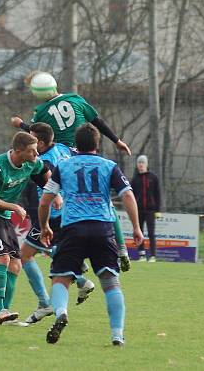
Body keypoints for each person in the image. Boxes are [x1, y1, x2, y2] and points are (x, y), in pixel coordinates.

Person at [10, 71, 133, 272]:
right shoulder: (75, 99)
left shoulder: (41, 111)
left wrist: (21, 124)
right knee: (105, 203)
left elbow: (37, 133)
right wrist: (117, 140)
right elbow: (97, 120)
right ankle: (122, 250)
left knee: (63, 203)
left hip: (65, 158)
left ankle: (72, 253)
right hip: (88, 156)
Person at [39, 124, 144, 347]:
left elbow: (45, 200)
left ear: (76, 145)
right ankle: (117, 335)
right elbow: (128, 197)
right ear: (97, 144)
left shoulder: (63, 166)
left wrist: (45, 225)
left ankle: (60, 314)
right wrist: (136, 227)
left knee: (61, 277)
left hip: (72, 229)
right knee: (110, 283)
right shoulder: (110, 166)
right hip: (102, 229)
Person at [20, 122, 96, 326]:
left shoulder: (42, 160)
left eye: (33, 139)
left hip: (51, 215)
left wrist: (55, 195)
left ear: (42, 143)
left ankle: (46, 302)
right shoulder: (62, 148)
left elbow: (50, 179)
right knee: (53, 250)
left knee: (26, 254)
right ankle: (81, 280)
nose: (31, 143)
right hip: (68, 212)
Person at [0, 131, 50, 325]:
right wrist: (15, 207)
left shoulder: (30, 163)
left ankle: (5, 314)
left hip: (5, 217)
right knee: (3, 258)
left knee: (16, 264)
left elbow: (44, 174)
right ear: (18, 151)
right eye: (32, 151)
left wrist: (55, 193)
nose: (36, 155)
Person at [130, 154, 161, 262]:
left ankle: (153, 256)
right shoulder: (134, 179)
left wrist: (158, 210)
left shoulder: (153, 178)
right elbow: (131, 196)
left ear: (146, 164)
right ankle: (142, 255)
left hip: (151, 210)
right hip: (138, 210)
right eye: (139, 163)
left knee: (151, 232)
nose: (141, 165)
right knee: (139, 232)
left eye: (143, 162)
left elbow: (157, 194)